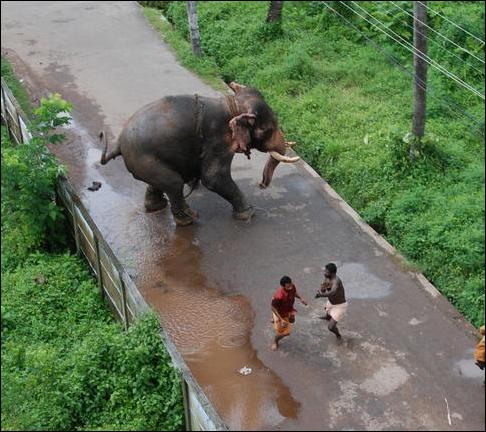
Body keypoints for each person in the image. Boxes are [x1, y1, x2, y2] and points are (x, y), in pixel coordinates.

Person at [271, 276, 307, 351]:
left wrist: (301, 298)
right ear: (283, 286)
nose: (290, 287)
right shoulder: (279, 296)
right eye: (288, 287)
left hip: (289, 309)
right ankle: (275, 341)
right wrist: (281, 320)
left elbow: (294, 293)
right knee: (286, 332)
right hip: (281, 313)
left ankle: (275, 319)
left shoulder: (292, 286)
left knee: (292, 321)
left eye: (291, 285)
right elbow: (273, 307)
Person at [315, 263, 347, 340]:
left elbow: (333, 292)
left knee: (330, 327)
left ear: (332, 273)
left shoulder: (336, 281)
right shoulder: (327, 278)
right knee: (328, 312)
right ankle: (327, 317)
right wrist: (321, 290)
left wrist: (321, 295)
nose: (324, 273)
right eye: (325, 271)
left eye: (326, 272)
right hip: (331, 302)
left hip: (340, 306)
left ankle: (338, 335)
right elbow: (323, 288)